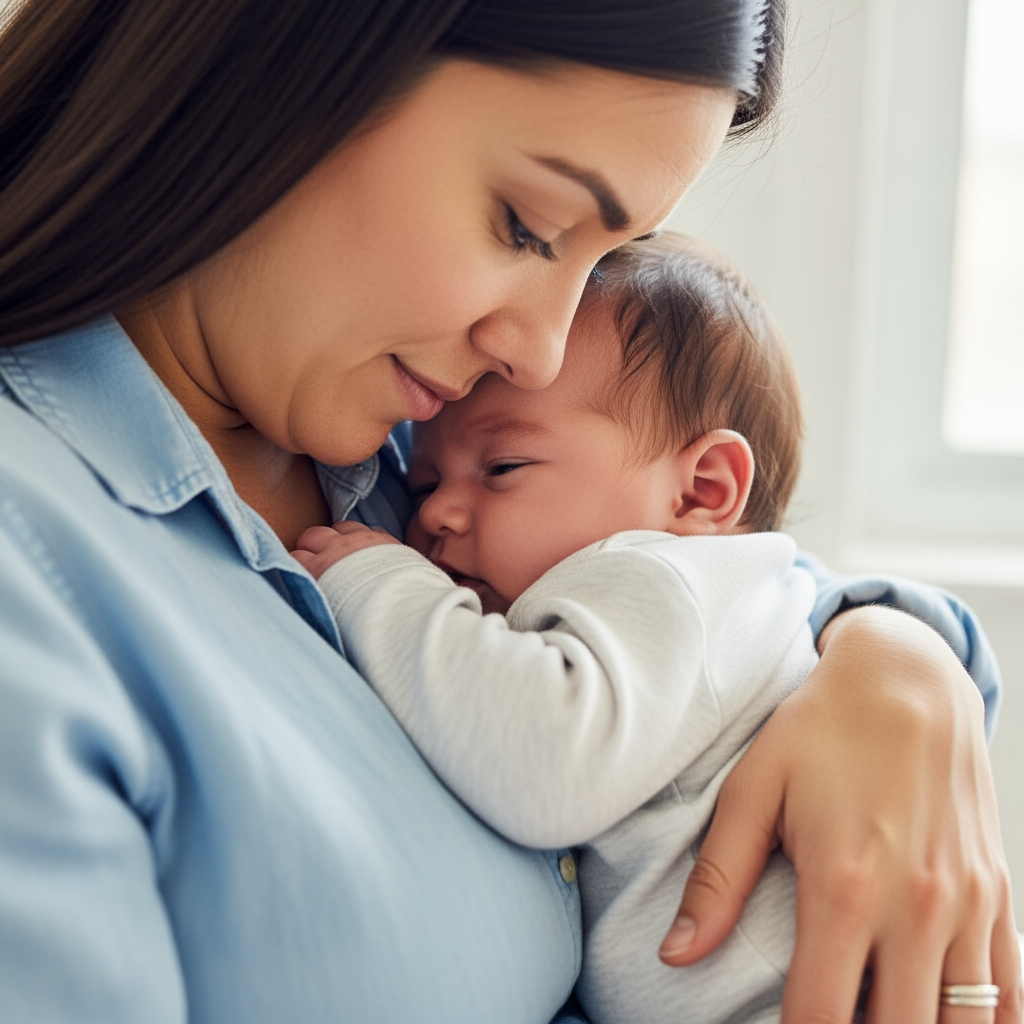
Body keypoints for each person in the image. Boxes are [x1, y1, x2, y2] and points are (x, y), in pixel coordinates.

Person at [0, 2, 1017, 1023]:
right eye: (527, 227)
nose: (535, 353)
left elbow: (699, 574)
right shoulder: (39, 574)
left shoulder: (413, 441)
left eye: (602, 258)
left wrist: (893, 658)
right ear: (292, 60)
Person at [293, 233, 824, 1024]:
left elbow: (544, 759)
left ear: (702, 490)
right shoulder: (706, 598)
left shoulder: (662, 577)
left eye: (502, 468)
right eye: (425, 479)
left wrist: (375, 581)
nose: (433, 512)